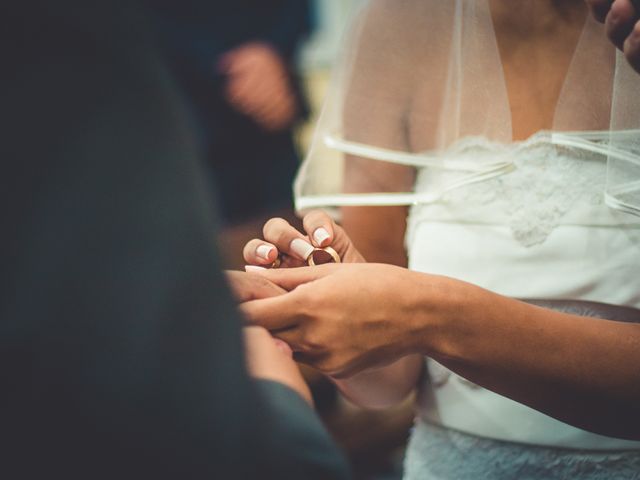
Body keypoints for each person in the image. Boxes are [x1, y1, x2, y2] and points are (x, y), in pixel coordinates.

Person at [235, 0, 640, 478]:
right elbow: (390, 383)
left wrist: (422, 312)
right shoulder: (397, 24)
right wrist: (327, 314)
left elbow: (417, 318)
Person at [0, 2, 349, 479]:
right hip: (182, 187)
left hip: (260, 172)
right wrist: (278, 396)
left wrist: (275, 54)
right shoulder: (69, 55)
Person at [147, 1, 312, 227]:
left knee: (291, 233)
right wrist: (230, 67)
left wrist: (273, 50)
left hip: (271, 120)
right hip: (186, 121)